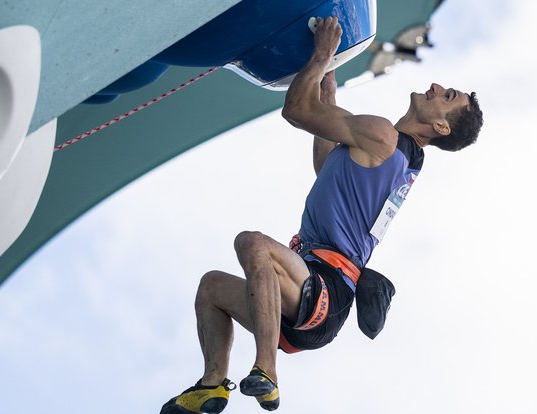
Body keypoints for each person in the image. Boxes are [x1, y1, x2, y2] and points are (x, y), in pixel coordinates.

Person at [160, 16, 483, 414]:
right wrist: (327, 82)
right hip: (315, 297)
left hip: (325, 290)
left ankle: (267, 371)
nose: (436, 86)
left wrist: (321, 56)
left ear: (440, 126)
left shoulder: (384, 137)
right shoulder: (399, 158)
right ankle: (211, 388)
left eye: (447, 95)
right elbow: (326, 166)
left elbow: (296, 110)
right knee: (211, 289)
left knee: (253, 244)